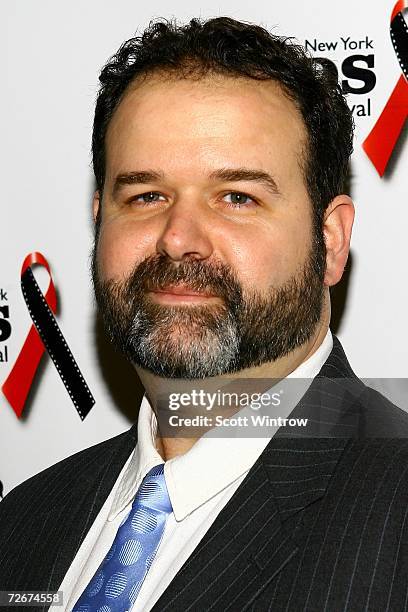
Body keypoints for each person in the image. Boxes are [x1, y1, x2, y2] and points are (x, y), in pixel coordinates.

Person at [1, 16, 408, 612]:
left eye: (237, 197)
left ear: (331, 241)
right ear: (98, 220)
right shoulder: (26, 521)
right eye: (146, 196)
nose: (177, 239)